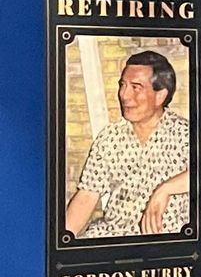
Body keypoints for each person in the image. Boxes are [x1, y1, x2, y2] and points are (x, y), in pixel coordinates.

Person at [64, 50, 192, 239]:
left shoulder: (184, 134)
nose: (124, 95)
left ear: (160, 96)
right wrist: (60, 244)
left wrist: (164, 190)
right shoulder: (110, 137)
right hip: (112, 239)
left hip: (164, 246)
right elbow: (86, 197)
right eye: (122, 85)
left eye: (135, 87)